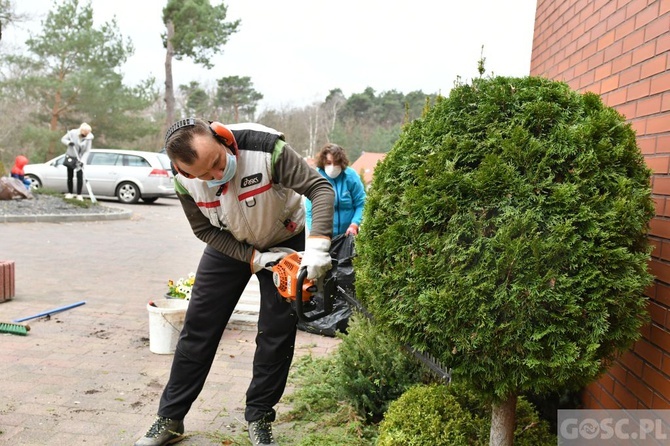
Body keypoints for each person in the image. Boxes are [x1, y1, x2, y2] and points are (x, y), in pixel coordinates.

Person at [134, 118, 335, 446]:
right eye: (204, 174)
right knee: (198, 327)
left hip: (286, 237)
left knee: (276, 332)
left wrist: (318, 246)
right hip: (229, 245)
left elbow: (320, 188)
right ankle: (170, 418)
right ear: (186, 173)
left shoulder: (267, 150)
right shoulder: (186, 183)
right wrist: (254, 258)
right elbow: (204, 230)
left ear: (223, 138)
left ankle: (259, 416)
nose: (215, 175)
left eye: (216, 162)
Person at [305, 143, 366, 237]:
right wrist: (316, 234)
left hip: (349, 234)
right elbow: (310, 212)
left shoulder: (351, 176)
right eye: (329, 163)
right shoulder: (316, 178)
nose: (332, 167)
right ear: (323, 162)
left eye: (336, 163)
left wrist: (355, 224)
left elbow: (361, 203)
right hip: (324, 235)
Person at [60, 122, 93, 201]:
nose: (86, 134)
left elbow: (87, 151)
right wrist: (69, 143)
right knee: (70, 176)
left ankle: (79, 195)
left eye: (87, 133)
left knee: (79, 176)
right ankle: (70, 193)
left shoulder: (89, 138)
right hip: (71, 156)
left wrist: (82, 161)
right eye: (85, 132)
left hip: (80, 159)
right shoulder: (72, 133)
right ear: (81, 130)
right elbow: (63, 139)